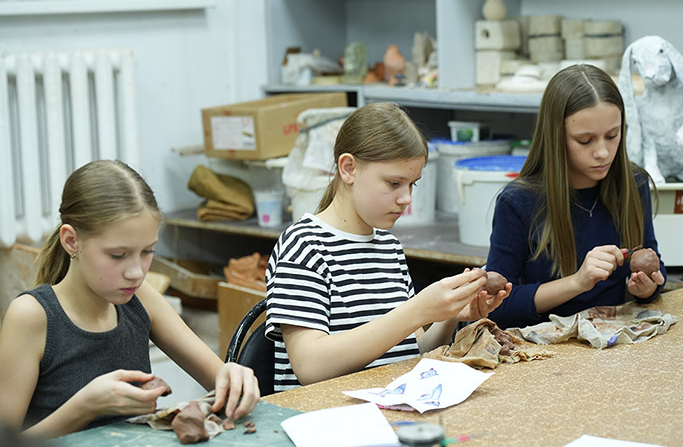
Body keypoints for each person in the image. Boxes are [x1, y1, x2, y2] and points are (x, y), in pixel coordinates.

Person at [0, 160, 260, 439]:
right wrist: (85, 407)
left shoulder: (140, 296)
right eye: (118, 255)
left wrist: (234, 378)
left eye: (148, 251)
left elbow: (218, 378)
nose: (136, 273)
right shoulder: (32, 315)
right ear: (71, 241)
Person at [264, 102, 511, 392]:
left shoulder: (389, 248)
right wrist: (417, 311)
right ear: (348, 169)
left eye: (412, 184)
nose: (406, 198)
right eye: (394, 183)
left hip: (387, 406)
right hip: (321, 413)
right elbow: (311, 367)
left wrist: (447, 315)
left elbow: (411, 351)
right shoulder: (304, 247)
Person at [486, 64, 667, 329]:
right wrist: (576, 282)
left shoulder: (633, 185)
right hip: (544, 343)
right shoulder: (518, 202)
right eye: (585, 140)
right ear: (556, 136)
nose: (603, 152)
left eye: (612, 135)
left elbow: (655, 266)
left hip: (615, 338)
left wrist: (647, 288)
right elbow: (498, 306)